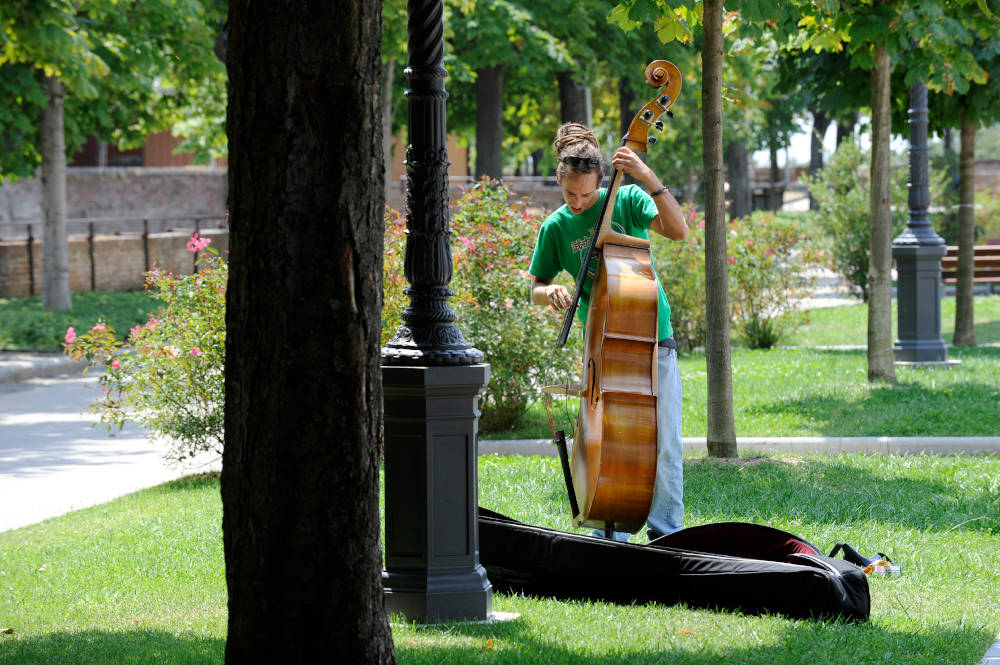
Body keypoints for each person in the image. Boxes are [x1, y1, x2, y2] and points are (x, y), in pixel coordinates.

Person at [528, 122, 688, 542]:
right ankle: (607, 529)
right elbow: (535, 288)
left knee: (665, 444)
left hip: (653, 341)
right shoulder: (556, 227)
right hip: (599, 348)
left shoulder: (627, 199)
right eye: (569, 195)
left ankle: (666, 534)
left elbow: (678, 231)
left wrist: (646, 175)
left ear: (600, 181)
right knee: (606, 444)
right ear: (559, 181)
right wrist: (551, 292)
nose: (579, 203)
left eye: (586, 194)